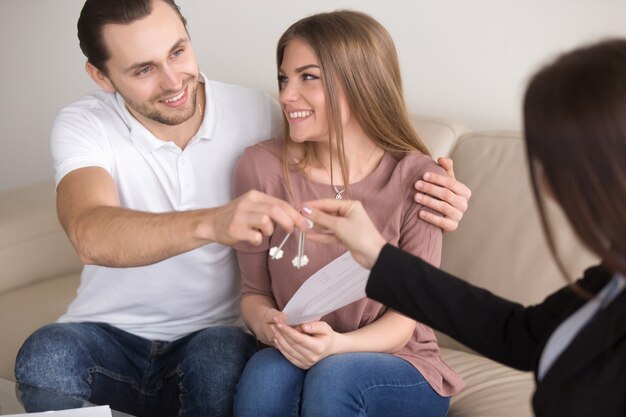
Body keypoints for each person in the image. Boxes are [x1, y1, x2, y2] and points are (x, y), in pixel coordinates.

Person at [13, 1, 471, 417]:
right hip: (110, 336)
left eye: (177, 52)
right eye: (143, 69)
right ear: (102, 76)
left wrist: (444, 191)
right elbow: (90, 234)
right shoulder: (86, 124)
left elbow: (354, 140)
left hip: (214, 340)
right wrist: (215, 222)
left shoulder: (259, 113)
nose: (173, 81)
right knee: (45, 356)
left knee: (228, 360)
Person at [302, 38, 626, 417]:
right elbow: (518, 335)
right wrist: (377, 255)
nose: (547, 189)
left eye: (553, 164)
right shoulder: (611, 280)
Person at [233, 11, 464, 417]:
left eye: (309, 77)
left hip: (399, 360)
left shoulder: (419, 179)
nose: (286, 95)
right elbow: (254, 294)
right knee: (265, 375)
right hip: (296, 350)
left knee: (335, 375)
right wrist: (271, 326)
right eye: (285, 78)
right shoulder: (260, 167)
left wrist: (336, 346)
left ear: (360, 82)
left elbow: (404, 321)